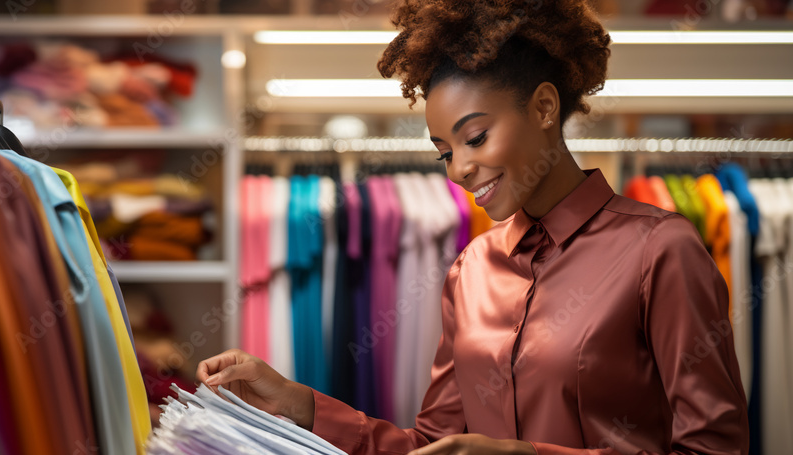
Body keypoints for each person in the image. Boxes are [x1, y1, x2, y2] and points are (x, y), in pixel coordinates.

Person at [197, 0, 749, 453]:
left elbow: (714, 449)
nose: (459, 169)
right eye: (444, 153)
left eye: (476, 138)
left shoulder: (660, 250)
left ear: (544, 108)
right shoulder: (472, 269)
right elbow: (432, 444)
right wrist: (300, 405)